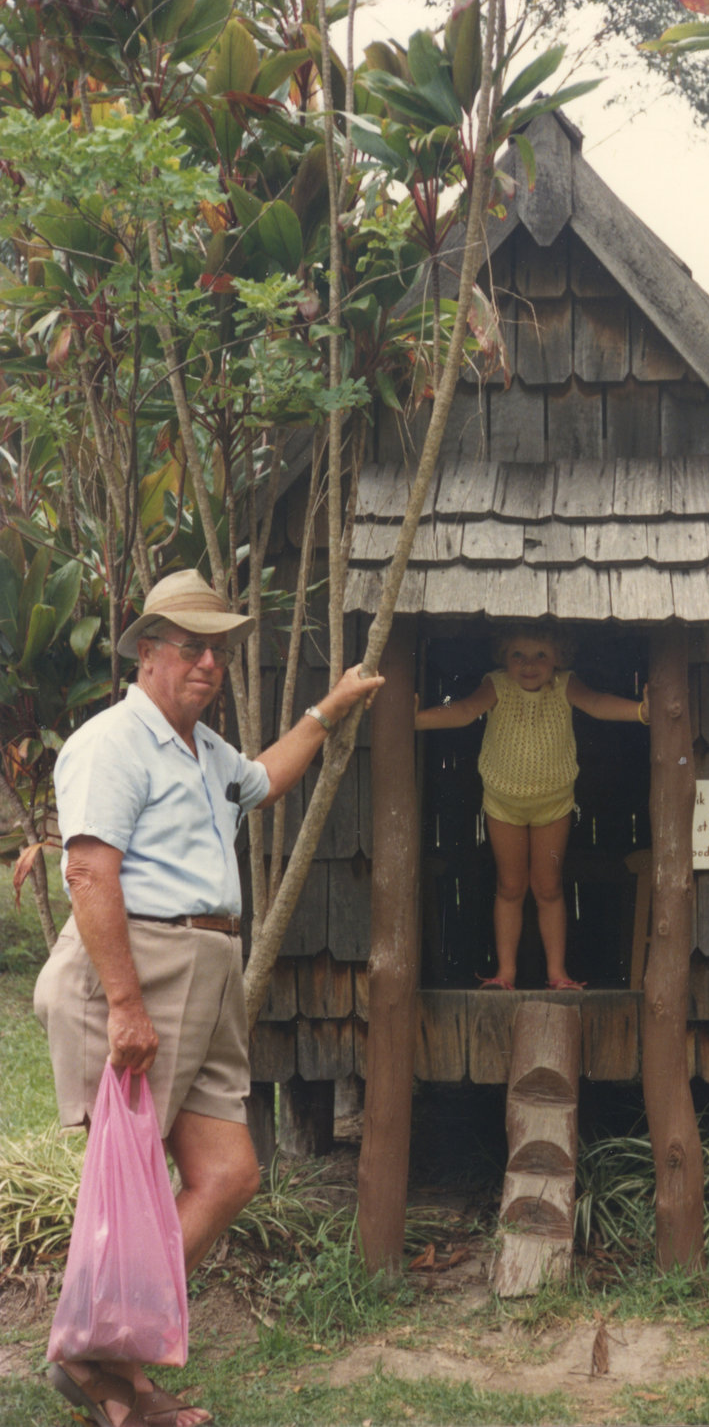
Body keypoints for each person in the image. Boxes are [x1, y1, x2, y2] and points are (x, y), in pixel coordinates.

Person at [34, 569, 383, 1427]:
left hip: (206, 965)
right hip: (137, 963)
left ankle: (99, 1351)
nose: (208, 664)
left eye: (216, 651)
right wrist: (123, 1004)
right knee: (130, 1177)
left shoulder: (202, 750)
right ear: (147, 653)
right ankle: (111, 1366)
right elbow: (88, 869)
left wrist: (329, 709)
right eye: (192, 648)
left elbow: (262, 780)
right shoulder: (113, 742)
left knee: (227, 1175)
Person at [415, 628, 648, 991]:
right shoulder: (496, 685)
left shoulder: (566, 685)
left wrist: (641, 712)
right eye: (518, 655)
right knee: (510, 887)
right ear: (503, 657)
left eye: (541, 654)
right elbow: (462, 711)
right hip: (503, 802)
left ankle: (558, 974)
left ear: (559, 656)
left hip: (552, 803)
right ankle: (505, 974)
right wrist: (415, 719)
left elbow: (599, 704)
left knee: (549, 889)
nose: (529, 665)